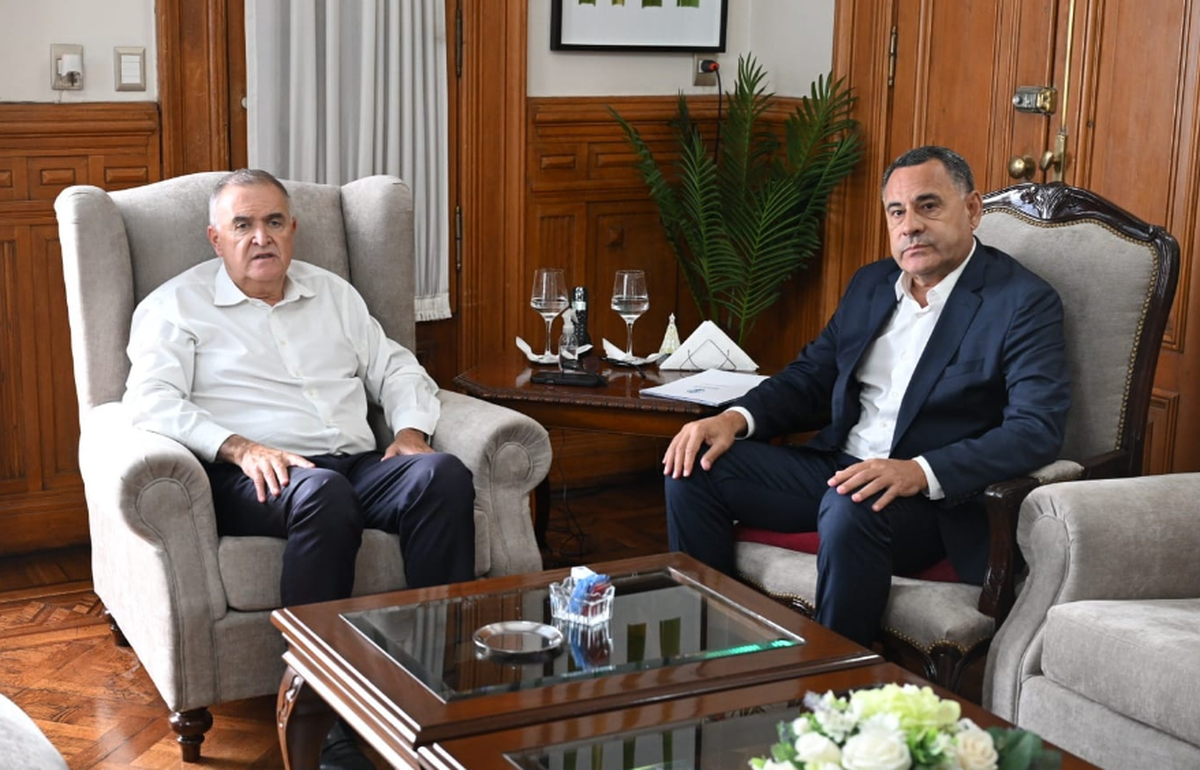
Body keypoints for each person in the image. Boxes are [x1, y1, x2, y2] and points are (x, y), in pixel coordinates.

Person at [123, 168, 474, 770]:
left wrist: (411, 432)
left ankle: (433, 685)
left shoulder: (333, 294)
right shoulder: (175, 306)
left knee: (441, 475)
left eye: (273, 222)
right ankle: (323, 712)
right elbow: (150, 402)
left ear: (293, 229)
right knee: (324, 494)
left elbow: (396, 368)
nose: (261, 237)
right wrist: (239, 447)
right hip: (253, 473)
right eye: (242, 225)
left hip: (355, 463)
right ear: (215, 238)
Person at [663, 146, 1070, 649]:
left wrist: (918, 470)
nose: (910, 226)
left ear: (971, 210)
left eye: (928, 206)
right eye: (896, 212)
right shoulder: (871, 284)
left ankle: (832, 683)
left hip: (928, 503)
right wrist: (733, 419)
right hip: (838, 468)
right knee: (694, 465)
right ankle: (711, 649)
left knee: (850, 505)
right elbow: (811, 377)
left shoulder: (1022, 301)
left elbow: (1035, 429)